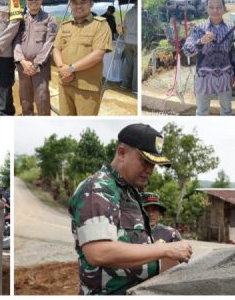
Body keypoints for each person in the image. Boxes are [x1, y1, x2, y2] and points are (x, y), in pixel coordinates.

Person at [69, 123, 192, 295]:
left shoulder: (129, 191)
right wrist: (165, 250)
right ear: (121, 153)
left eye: (154, 164)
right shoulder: (97, 188)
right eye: (145, 161)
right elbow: (98, 252)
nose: (150, 170)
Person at [53, 0, 113, 115]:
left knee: (85, 125)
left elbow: (98, 54)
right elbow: (56, 48)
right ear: (70, 5)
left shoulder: (100, 25)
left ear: (91, 4)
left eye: (83, 2)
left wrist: (70, 69)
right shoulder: (65, 25)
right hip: (64, 84)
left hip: (86, 88)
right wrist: (61, 67)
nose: (78, 6)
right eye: (75, 2)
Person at [182, 0, 235, 115]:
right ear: (206, 9)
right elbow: (187, 50)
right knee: (202, 111)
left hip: (225, 76)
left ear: (224, 8)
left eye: (218, 7)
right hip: (204, 76)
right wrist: (201, 41)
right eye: (211, 7)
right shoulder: (199, 28)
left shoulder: (231, 28)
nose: (215, 10)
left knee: (227, 111)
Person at [12, 0, 58, 115]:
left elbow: (50, 42)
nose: (33, 0)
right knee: (25, 99)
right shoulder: (20, 20)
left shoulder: (50, 19)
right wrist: (22, 61)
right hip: (23, 67)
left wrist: (36, 64)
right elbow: (15, 41)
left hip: (40, 68)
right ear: (26, 0)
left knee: (42, 98)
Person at [121, 5, 138, 92]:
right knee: (137, 65)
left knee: (128, 63)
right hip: (137, 41)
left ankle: (125, 84)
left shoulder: (128, 13)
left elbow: (124, 27)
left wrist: (125, 38)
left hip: (128, 40)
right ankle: (135, 88)